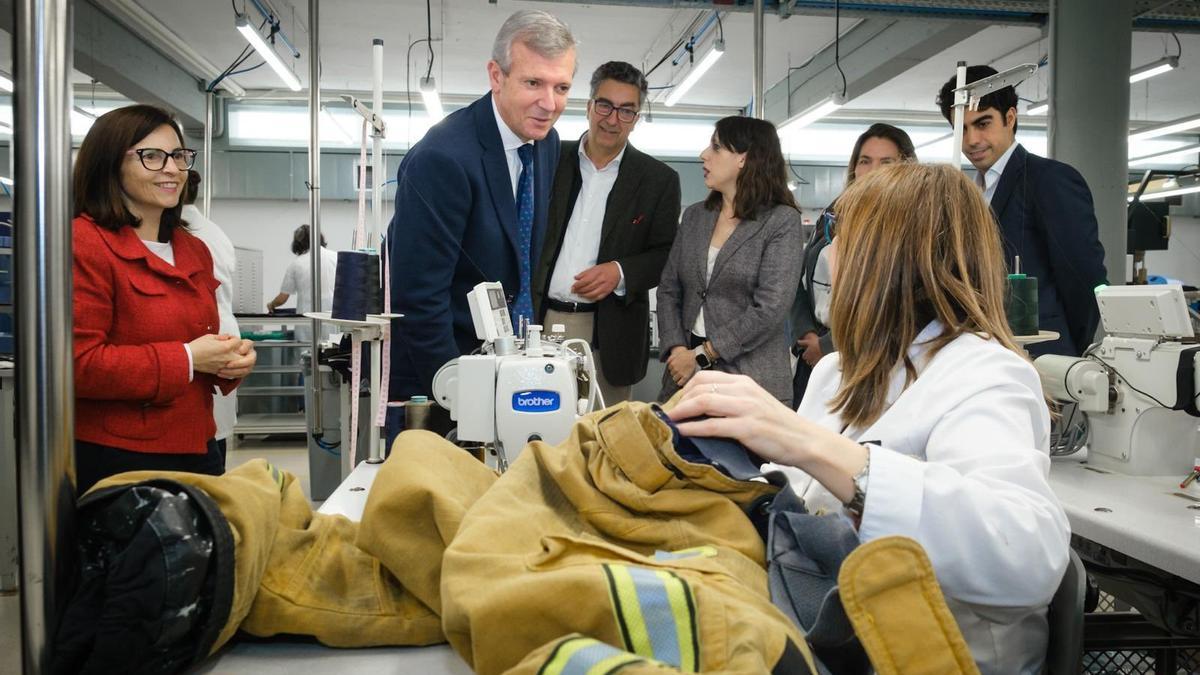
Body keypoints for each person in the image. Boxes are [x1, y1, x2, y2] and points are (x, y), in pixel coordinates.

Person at [669, 163, 1070, 674]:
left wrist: (805, 443)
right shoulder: (839, 371)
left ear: (886, 258)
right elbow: (802, 518)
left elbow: (1026, 558)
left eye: (839, 237)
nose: (826, 256)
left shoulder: (987, 371)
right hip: (831, 632)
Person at [386, 9, 576, 438]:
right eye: (533, 83)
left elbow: (519, 258)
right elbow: (419, 299)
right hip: (440, 377)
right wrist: (460, 397)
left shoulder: (545, 146)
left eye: (561, 87)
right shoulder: (443, 159)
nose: (549, 104)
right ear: (496, 75)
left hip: (508, 368)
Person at [73, 105, 257, 493]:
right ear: (110, 164)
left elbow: (199, 341)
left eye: (178, 156)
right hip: (121, 461)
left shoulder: (193, 249)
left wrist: (228, 361)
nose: (172, 168)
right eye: (151, 156)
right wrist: (189, 358)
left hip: (197, 446)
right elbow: (78, 364)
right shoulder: (84, 243)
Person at [532, 61, 681, 406]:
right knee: (539, 429)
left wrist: (621, 272)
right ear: (588, 106)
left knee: (604, 438)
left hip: (609, 334)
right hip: (542, 321)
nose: (613, 120)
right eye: (605, 105)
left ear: (636, 118)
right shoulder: (547, 159)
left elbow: (666, 253)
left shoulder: (658, 180)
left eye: (626, 111)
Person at [937, 65, 1107, 356]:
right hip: (984, 353)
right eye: (961, 129)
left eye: (982, 123)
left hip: (1041, 354)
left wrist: (1065, 349)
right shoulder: (968, 194)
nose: (972, 140)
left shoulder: (1049, 179)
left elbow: (1084, 276)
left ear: (1010, 118)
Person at [656, 116, 803, 406]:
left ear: (744, 159)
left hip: (749, 380)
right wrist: (676, 350)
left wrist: (704, 354)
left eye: (716, 147)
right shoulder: (696, 216)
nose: (703, 155)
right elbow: (669, 289)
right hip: (684, 375)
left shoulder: (781, 221)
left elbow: (770, 308)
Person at [790, 123, 916, 405]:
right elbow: (799, 280)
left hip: (869, 360)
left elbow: (893, 302)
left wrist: (827, 346)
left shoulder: (911, 226)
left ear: (905, 168)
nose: (873, 170)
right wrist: (806, 333)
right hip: (813, 358)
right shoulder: (833, 213)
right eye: (865, 161)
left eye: (886, 162)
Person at [181, 171, 240, 465]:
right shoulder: (215, 231)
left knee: (207, 439)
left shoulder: (188, 235)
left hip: (204, 337)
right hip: (221, 331)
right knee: (214, 436)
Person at [266, 224, 338, 343]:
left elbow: (282, 298)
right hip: (332, 321)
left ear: (297, 244)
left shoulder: (297, 264)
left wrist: (271, 305)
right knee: (332, 356)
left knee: (306, 357)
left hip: (307, 324)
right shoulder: (336, 257)